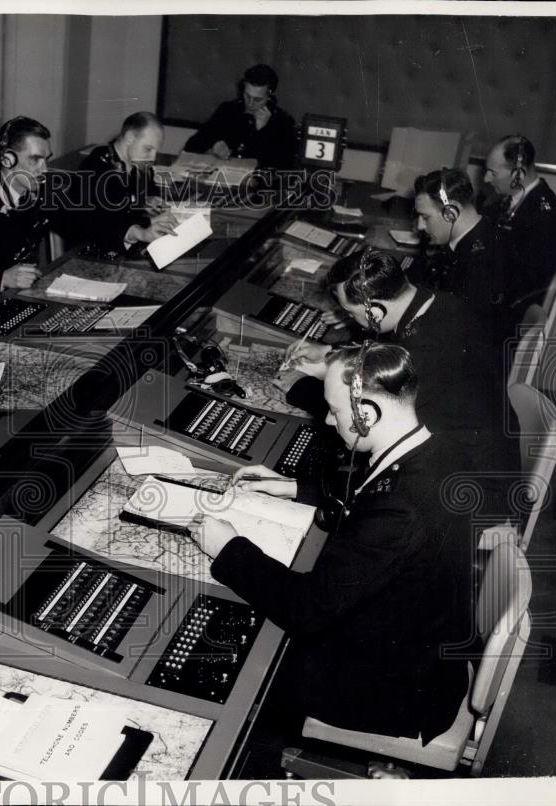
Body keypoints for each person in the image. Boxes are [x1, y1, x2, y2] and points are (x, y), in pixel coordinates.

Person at [191, 344, 473, 743]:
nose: (327, 420)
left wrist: (229, 548)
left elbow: (307, 609)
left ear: (367, 413)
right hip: (426, 650)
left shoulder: (400, 511)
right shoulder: (434, 448)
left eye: (335, 411)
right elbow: (377, 500)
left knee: (240, 664)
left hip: (397, 688)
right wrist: (294, 487)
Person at [279, 250, 514, 524]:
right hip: (486, 456)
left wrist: (299, 387)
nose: (352, 321)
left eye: (352, 314)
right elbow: (395, 349)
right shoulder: (433, 303)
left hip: (471, 492)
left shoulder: (423, 354)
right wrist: (331, 352)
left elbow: (366, 411)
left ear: (376, 311)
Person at [0, 116, 175, 318]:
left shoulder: (41, 192)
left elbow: (84, 221)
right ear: (7, 159)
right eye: (35, 160)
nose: (44, 170)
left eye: (46, 160)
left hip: (20, 299)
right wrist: (0, 278)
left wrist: (137, 232)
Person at [411, 168, 507, 331]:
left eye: (426, 217)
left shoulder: (478, 263)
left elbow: (452, 324)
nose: (420, 225)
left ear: (451, 212)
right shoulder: (480, 232)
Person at [482, 135, 556, 313]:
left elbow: (524, 284)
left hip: (504, 315)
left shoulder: (546, 216)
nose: (486, 179)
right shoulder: (503, 201)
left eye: (493, 173)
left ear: (518, 174)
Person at [78, 111, 178, 257]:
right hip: (96, 252)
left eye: (156, 151)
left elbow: (147, 194)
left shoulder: (139, 164)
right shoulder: (96, 167)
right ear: (130, 137)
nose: (153, 158)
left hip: (129, 247)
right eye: (148, 149)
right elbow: (97, 223)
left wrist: (151, 203)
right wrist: (141, 231)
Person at [183, 63, 296, 169]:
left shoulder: (283, 122)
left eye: (257, 100)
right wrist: (212, 147)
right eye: (247, 96)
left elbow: (281, 166)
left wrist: (262, 131)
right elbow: (191, 146)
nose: (250, 103)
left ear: (269, 97)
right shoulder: (228, 110)